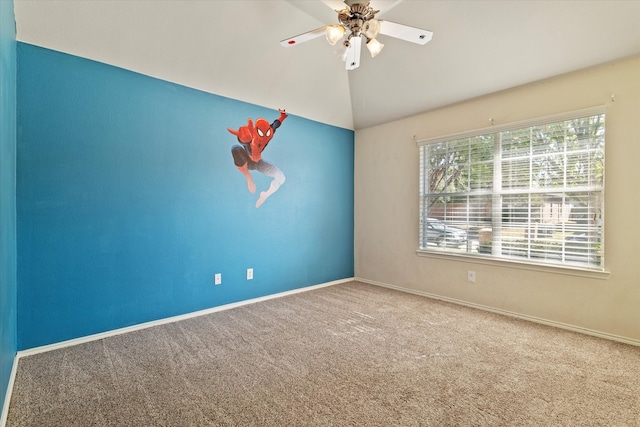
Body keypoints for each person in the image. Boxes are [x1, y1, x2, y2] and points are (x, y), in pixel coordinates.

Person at [228, 109, 288, 208]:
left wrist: (282, 116)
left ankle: (266, 194)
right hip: (247, 160)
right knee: (235, 148)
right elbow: (245, 141)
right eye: (261, 133)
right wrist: (242, 139)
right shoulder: (252, 135)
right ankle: (248, 176)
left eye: (267, 134)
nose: (264, 137)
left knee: (281, 177)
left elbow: (275, 124)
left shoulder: (270, 131)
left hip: (259, 163)